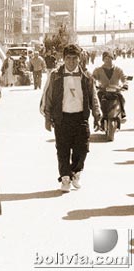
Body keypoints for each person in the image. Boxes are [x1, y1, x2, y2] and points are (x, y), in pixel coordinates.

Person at [41, 44, 102, 192]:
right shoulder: (55, 75)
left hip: (81, 118)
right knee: (62, 149)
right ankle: (65, 178)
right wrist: (47, 118)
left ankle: (76, 172)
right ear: (63, 59)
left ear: (80, 59)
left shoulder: (87, 76)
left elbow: (93, 96)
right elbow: (47, 97)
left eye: (74, 58)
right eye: (68, 58)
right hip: (62, 119)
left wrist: (97, 114)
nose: (71, 62)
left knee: (82, 149)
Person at [92, 51, 128, 121]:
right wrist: (93, 83)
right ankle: (98, 118)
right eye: (106, 58)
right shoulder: (98, 70)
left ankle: (122, 113)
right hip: (103, 90)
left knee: (122, 98)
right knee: (97, 99)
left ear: (112, 58)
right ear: (103, 59)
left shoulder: (118, 69)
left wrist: (125, 84)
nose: (108, 60)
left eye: (110, 58)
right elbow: (93, 77)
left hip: (115, 90)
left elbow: (124, 78)